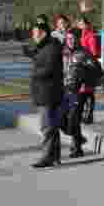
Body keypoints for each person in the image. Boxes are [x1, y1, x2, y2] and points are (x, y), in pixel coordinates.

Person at [28, 19, 64, 168]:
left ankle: (47, 157)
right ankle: (54, 156)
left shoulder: (51, 47)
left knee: (47, 127)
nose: (33, 35)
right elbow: (40, 60)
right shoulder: (44, 46)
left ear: (43, 33)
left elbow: (49, 68)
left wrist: (34, 73)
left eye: (35, 32)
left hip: (48, 93)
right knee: (52, 126)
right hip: (45, 91)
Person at [62, 29, 92, 158]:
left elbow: (96, 72)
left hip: (79, 91)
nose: (71, 41)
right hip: (64, 90)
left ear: (78, 39)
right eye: (68, 38)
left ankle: (76, 148)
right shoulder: (63, 53)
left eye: (73, 38)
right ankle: (78, 138)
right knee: (61, 119)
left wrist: (86, 83)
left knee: (74, 119)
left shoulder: (84, 54)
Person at [77, 16, 100, 124]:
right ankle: (83, 114)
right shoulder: (80, 35)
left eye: (82, 23)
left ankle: (89, 115)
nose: (80, 25)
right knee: (82, 92)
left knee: (89, 91)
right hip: (80, 66)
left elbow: (93, 52)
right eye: (79, 23)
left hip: (88, 66)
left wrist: (88, 60)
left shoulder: (90, 35)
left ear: (87, 24)